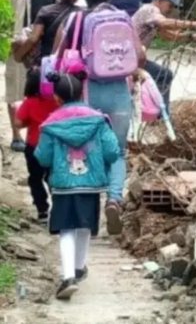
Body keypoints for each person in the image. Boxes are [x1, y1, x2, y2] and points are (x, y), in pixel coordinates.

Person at [53, 0, 145, 235]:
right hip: (119, 90)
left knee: (86, 150)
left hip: (88, 91)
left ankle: (86, 214)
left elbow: (59, 57)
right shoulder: (123, 17)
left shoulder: (77, 18)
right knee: (116, 150)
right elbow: (139, 54)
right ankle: (114, 199)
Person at [35, 72, 120, 300]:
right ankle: (80, 267)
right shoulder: (99, 120)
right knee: (84, 226)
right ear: (83, 93)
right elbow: (113, 152)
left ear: (57, 98)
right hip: (91, 185)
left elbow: (43, 157)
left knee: (66, 229)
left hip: (63, 185)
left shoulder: (51, 124)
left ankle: (68, 277)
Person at [3, 0, 58, 152]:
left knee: (43, 90)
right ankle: (17, 135)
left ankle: (39, 132)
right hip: (19, 44)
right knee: (15, 89)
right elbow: (4, 12)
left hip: (44, 47)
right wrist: (8, 38)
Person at [132, 0, 196, 110]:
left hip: (136, 59)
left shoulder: (152, 17)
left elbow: (169, 35)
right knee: (164, 75)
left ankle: (155, 110)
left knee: (161, 76)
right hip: (131, 59)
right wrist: (193, 24)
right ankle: (161, 114)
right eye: (170, 5)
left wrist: (191, 36)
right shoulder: (150, 9)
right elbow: (164, 23)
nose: (170, 10)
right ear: (160, 1)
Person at [13, 69, 59, 223]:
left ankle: (42, 210)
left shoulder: (29, 102)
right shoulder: (55, 100)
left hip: (34, 147)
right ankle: (59, 205)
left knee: (35, 178)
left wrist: (29, 122)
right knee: (53, 177)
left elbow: (18, 123)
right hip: (54, 147)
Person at [14, 0, 82, 67]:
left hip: (47, 62)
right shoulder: (81, 14)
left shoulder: (46, 11)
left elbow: (33, 38)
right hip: (70, 64)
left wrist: (18, 55)